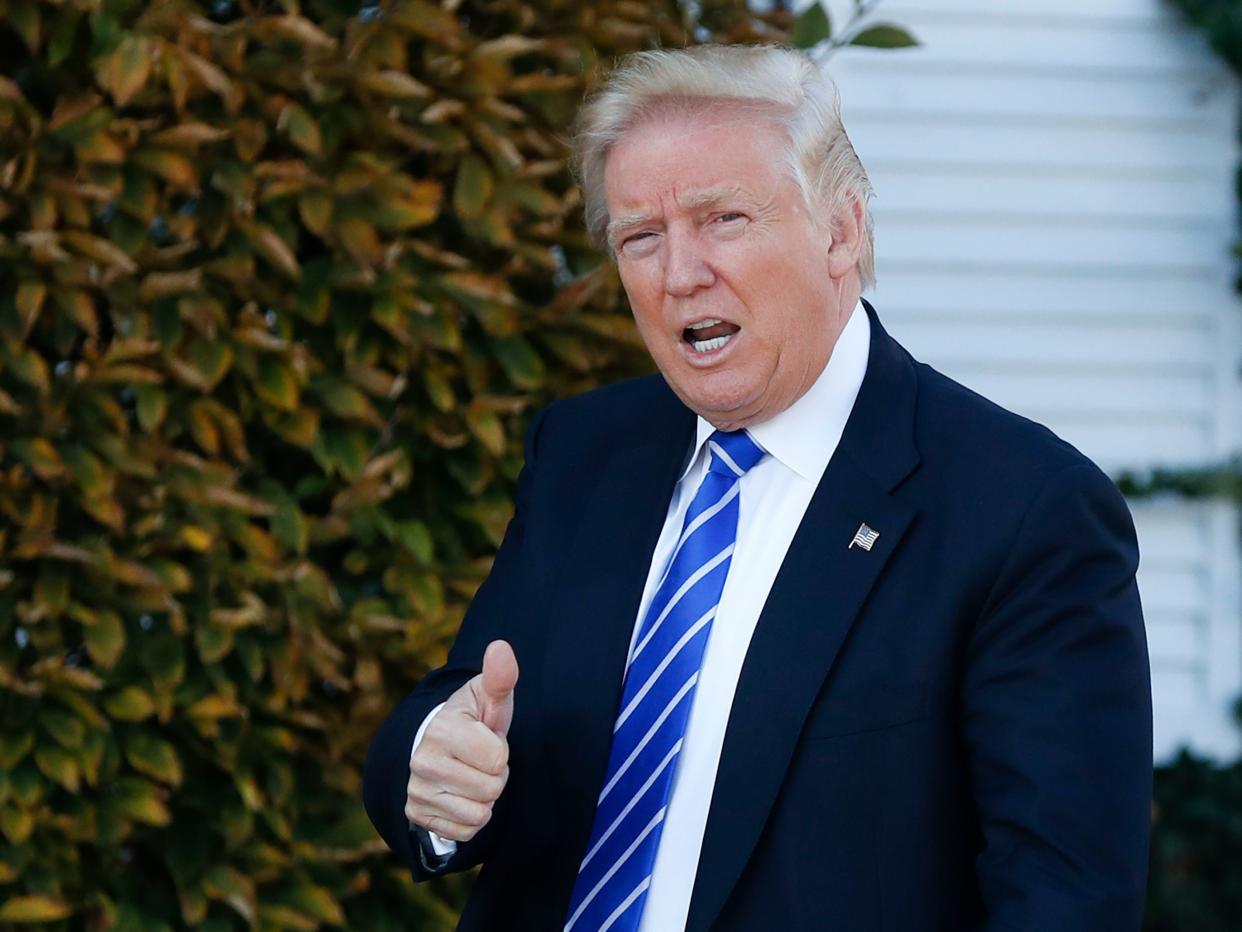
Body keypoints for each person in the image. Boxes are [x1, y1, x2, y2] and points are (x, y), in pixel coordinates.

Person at [363, 44, 1152, 932]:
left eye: (724, 219)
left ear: (841, 231)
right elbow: (469, 702)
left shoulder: (1025, 510)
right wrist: (434, 759)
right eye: (641, 238)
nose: (679, 274)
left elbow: (1066, 902)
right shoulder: (585, 451)